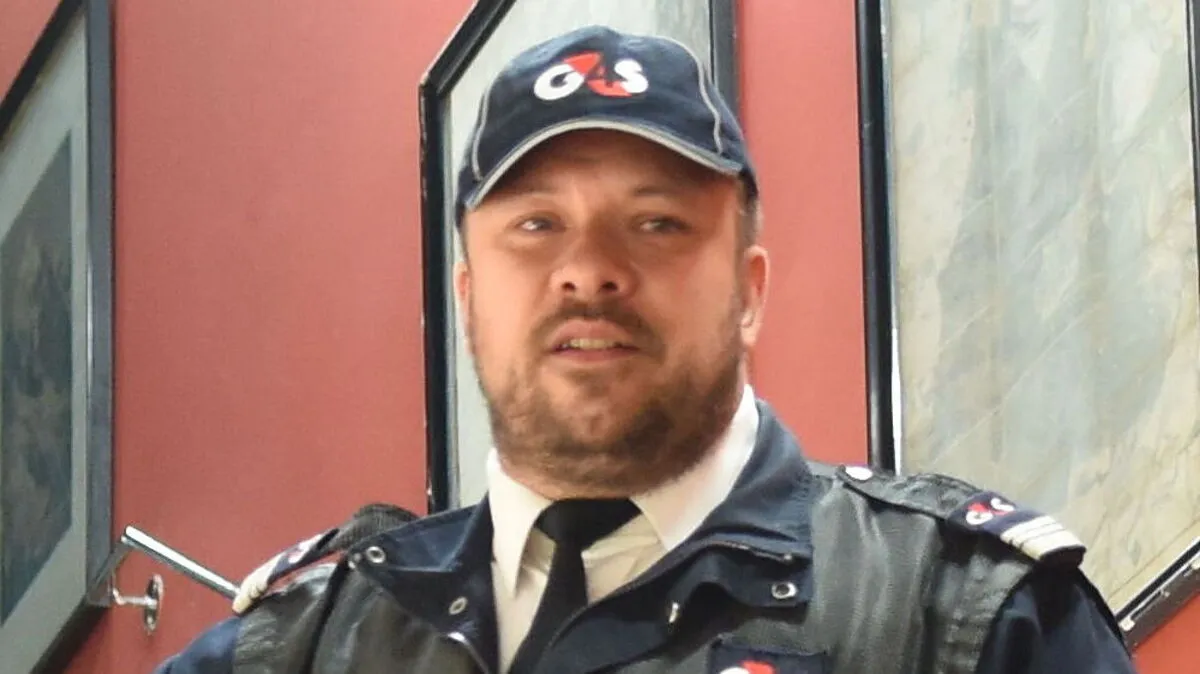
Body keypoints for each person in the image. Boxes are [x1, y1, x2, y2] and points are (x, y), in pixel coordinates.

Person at [153, 25, 1137, 674]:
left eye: (657, 223)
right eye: (536, 225)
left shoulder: (965, 613)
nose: (589, 270)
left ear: (749, 291)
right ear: (469, 299)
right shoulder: (301, 647)